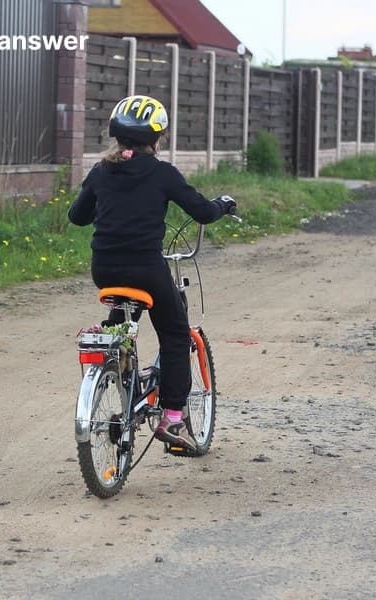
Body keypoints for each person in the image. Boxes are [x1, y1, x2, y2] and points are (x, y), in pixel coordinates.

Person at [68, 95, 236, 450]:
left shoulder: (100, 171)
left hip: (105, 269)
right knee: (175, 335)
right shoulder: (163, 173)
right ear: (157, 139)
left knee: (123, 316)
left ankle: (122, 366)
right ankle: (173, 419)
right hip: (146, 268)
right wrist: (223, 204)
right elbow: (202, 211)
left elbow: (77, 217)